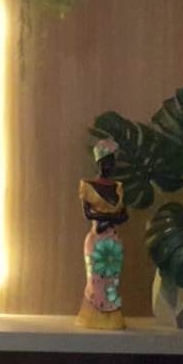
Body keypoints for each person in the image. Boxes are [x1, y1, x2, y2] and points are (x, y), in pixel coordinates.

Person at [78, 139, 129, 329]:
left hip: (114, 241)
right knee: (96, 279)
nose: (110, 166)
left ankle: (111, 317)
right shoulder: (87, 186)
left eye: (112, 162)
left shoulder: (118, 188)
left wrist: (108, 219)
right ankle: (94, 316)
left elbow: (124, 215)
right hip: (96, 241)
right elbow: (88, 214)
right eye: (107, 162)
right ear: (99, 162)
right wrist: (109, 218)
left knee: (111, 282)